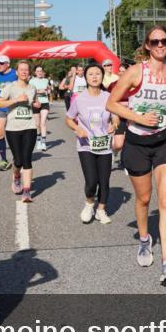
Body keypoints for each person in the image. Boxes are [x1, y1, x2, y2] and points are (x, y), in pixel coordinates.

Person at [106, 25, 166, 286]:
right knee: (144, 199)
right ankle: (144, 239)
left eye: (164, 41)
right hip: (137, 143)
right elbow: (111, 103)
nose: (160, 45)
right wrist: (138, 117)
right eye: (155, 42)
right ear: (147, 46)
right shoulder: (135, 72)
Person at [66, 63, 118, 224]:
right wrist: (77, 128)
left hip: (104, 145)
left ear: (102, 76)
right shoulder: (79, 99)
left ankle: (101, 210)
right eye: (91, 74)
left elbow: (116, 116)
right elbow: (69, 118)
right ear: (86, 78)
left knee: (104, 181)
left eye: (97, 74)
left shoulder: (108, 97)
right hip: (86, 145)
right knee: (91, 181)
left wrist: (114, 124)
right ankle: (89, 203)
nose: (94, 77)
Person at [0, 61, 40, 203]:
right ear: (17, 72)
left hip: (30, 127)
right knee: (18, 160)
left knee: (27, 159)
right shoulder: (10, 87)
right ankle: (16, 177)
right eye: (21, 70)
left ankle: (27, 191)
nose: (24, 72)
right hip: (13, 128)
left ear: (29, 72)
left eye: (26, 70)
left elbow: (35, 101)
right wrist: (16, 99)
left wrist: (36, 104)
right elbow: (0, 103)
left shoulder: (32, 87)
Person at [0, 55, 18, 171]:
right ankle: (4, 160)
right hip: (0, 107)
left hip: (13, 107)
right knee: (0, 132)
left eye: (1, 63)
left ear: (8, 64)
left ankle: (17, 156)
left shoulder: (15, 74)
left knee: (14, 133)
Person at [29, 65, 51, 151]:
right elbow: (30, 92)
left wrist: (48, 90)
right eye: (38, 71)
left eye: (41, 71)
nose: (39, 72)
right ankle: (38, 141)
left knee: (43, 123)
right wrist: (39, 91)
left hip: (45, 103)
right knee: (37, 124)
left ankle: (43, 142)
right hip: (35, 103)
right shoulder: (31, 81)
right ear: (35, 72)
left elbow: (48, 90)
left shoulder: (46, 80)